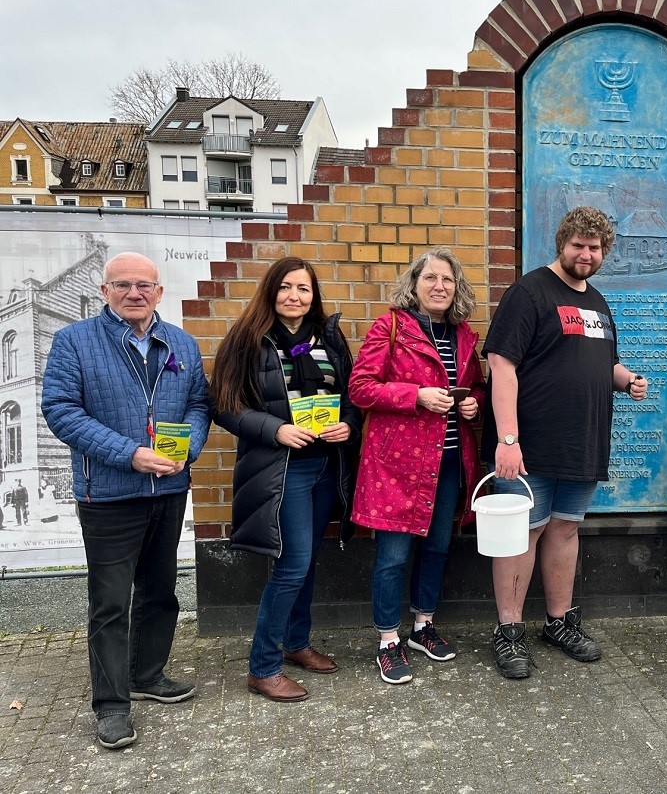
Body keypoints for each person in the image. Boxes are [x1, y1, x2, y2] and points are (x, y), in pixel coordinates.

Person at [41, 252, 210, 750]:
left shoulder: (179, 342)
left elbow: (199, 404)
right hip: (109, 495)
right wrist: (128, 453)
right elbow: (60, 411)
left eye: (145, 285)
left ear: (159, 292)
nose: (135, 293)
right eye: (123, 285)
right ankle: (113, 706)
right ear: (105, 291)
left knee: (160, 592)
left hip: (169, 489)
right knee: (111, 604)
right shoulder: (74, 341)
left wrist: (189, 449)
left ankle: (148, 674)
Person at [485, 206, 649, 679]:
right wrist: (508, 439)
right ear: (562, 244)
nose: (586, 253)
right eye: (578, 245)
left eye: (595, 247)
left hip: (583, 442)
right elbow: (502, 366)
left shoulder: (597, 301)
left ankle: (558, 622)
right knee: (523, 535)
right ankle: (509, 631)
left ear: (604, 253)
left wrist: (627, 380)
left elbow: (603, 363)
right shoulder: (529, 292)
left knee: (565, 529)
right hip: (529, 444)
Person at [210, 257, 361, 703]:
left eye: (305, 289)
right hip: (282, 469)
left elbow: (351, 397)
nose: (295, 296)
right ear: (271, 290)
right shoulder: (247, 339)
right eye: (286, 287)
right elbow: (222, 405)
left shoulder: (329, 340)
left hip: (324, 465)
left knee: (307, 559)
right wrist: (274, 429)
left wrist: (348, 426)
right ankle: (263, 666)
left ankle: (296, 643)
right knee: (292, 565)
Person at [349, 249, 486, 685]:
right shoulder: (390, 327)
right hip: (397, 465)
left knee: (438, 546)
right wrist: (416, 396)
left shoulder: (464, 336)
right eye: (430, 278)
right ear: (415, 284)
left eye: (447, 279)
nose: (439, 286)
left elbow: (478, 389)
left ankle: (422, 626)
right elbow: (360, 388)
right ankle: (388, 640)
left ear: (456, 288)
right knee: (392, 555)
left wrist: (472, 407)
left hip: (448, 461)